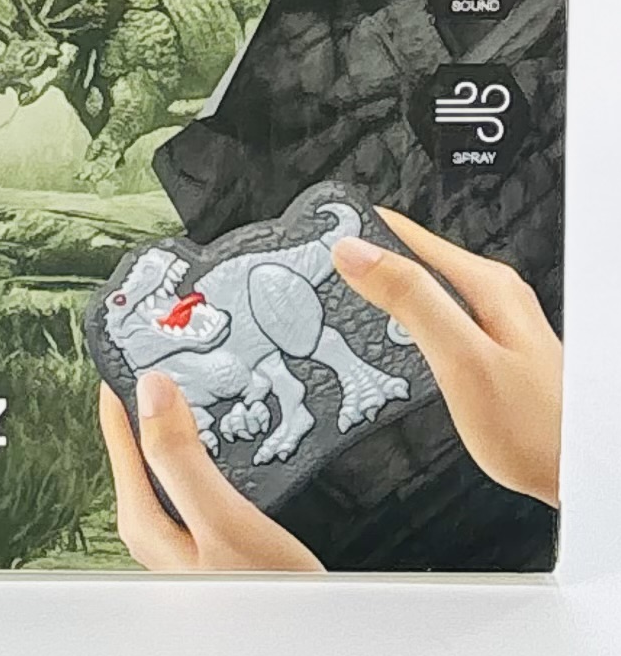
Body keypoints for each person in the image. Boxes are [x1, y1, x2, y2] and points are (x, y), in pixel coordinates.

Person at [98, 210, 563, 575]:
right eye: (123, 302)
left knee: (290, 328)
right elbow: (233, 380)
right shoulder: (164, 358)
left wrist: (561, 464)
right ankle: (298, 411)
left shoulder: (223, 305)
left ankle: (356, 373)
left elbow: (233, 376)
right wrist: (567, 468)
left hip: (271, 292)